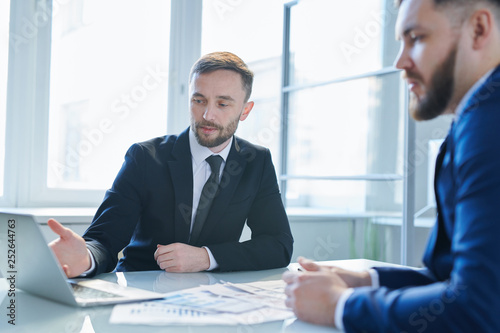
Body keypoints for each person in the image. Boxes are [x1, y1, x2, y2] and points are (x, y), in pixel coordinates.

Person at [283, 0, 500, 331]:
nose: (400, 61)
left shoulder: (489, 124)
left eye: (417, 38)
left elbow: (477, 309)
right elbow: (448, 277)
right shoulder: (474, 117)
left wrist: (340, 305)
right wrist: (363, 281)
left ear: (479, 29)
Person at [48, 51, 293, 278]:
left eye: (222, 104)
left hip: (213, 300)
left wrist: (206, 258)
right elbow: (103, 240)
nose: (208, 115)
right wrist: (86, 257)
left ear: (245, 110)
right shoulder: (144, 157)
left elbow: (278, 245)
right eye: (199, 100)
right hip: (141, 292)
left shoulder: (256, 161)